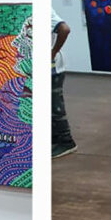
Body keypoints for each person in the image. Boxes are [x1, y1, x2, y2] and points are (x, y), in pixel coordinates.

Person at [51, 8, 78, 158]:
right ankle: (55, 140)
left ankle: (67, 141)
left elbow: (65, 29)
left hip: (53, 67)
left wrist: (53, 52)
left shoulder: (45, 11)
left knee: (55, 106)